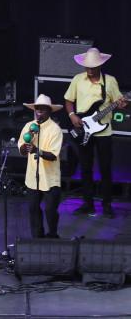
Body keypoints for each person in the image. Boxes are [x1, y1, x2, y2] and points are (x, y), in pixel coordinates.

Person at [64, 47, 128, 218]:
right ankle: (88, 204)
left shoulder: (110, 81)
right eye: (88, 66)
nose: (90, 69)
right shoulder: (78, 79)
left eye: (93, 66)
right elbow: (68, 100)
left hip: (104, 132)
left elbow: (120, 102)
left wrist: (124, 104)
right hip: (84, 128)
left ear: (100, 65)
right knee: (85, 168)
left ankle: (107, 205)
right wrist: (72, 116)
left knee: (106, 169)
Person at [17, 95, 64, 238]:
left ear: (49, 111)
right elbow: (22, 150)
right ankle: (37, 238)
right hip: (33, 177)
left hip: (50, 178)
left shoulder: (55, 129)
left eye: (42, 110)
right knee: (33, 209)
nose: (39, 112)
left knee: (50, 210)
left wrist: (37, 150)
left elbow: (53, 155)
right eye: (37, 109)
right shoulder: (29, 127)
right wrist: (27, 143)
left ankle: (53, 234)